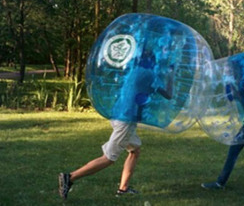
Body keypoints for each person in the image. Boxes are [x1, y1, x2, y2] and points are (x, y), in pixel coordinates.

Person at [58, 49, 175, 199]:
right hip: (125, 120)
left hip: (119, 115)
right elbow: (168, 94)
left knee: (135, 151)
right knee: (109, 158)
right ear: (151, 61)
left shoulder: (135, 71)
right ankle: (70, 178)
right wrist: (171, 73)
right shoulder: (148, 74)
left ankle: (123, 189)